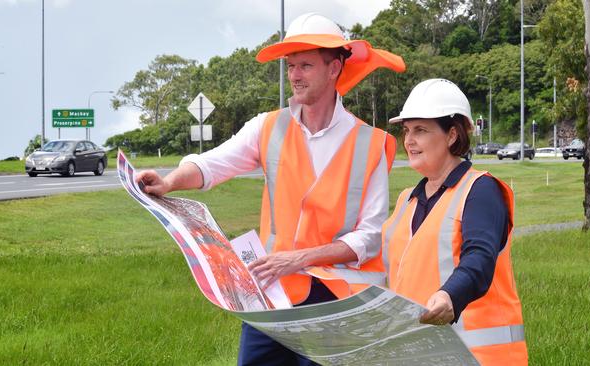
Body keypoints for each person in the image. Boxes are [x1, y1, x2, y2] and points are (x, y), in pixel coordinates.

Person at [136, 12, 405, 366]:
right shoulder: (268, 126)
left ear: (335, 68)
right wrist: (169, 181)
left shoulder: (371, 144)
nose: (294, 75)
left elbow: (370, 237)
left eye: (305, 65)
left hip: (335, 297)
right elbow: (213, 164)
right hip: (269, 292)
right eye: (291, 66)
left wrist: (300, 258)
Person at [382, 79, 528, 365]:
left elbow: (480, 257)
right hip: (423, 355)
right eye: (406, 131)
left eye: (420, 130)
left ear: (451, 135)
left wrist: (450, 296)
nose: (409, 141)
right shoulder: (406, 201)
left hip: (480, 357)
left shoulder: (481, 190)